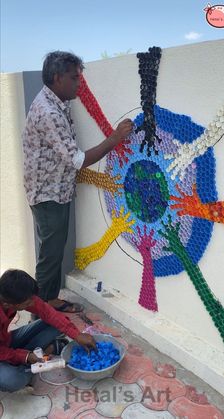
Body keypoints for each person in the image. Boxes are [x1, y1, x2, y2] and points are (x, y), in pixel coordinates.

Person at [22, 51, 133, 313]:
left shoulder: (59, 101)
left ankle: (47, 301)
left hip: (55, 189)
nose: (79, 84)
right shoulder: (48, 111)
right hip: (47, 193)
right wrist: (115, 138)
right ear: (58, 78)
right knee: (51, 252)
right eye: (74, 78)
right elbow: (78, 160)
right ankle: (41, 310)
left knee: (54, 247)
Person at [0, 269, 96, 392]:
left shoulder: (11, 295)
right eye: (28, 302)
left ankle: (33, 357)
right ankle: (42, 353)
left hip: (6, 341)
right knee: (13, 381)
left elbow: (46, 312)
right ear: (8, 304)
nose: (32, 303)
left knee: (57, 322)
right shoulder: (10, 299)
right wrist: (25, 356)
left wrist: (77, 335)